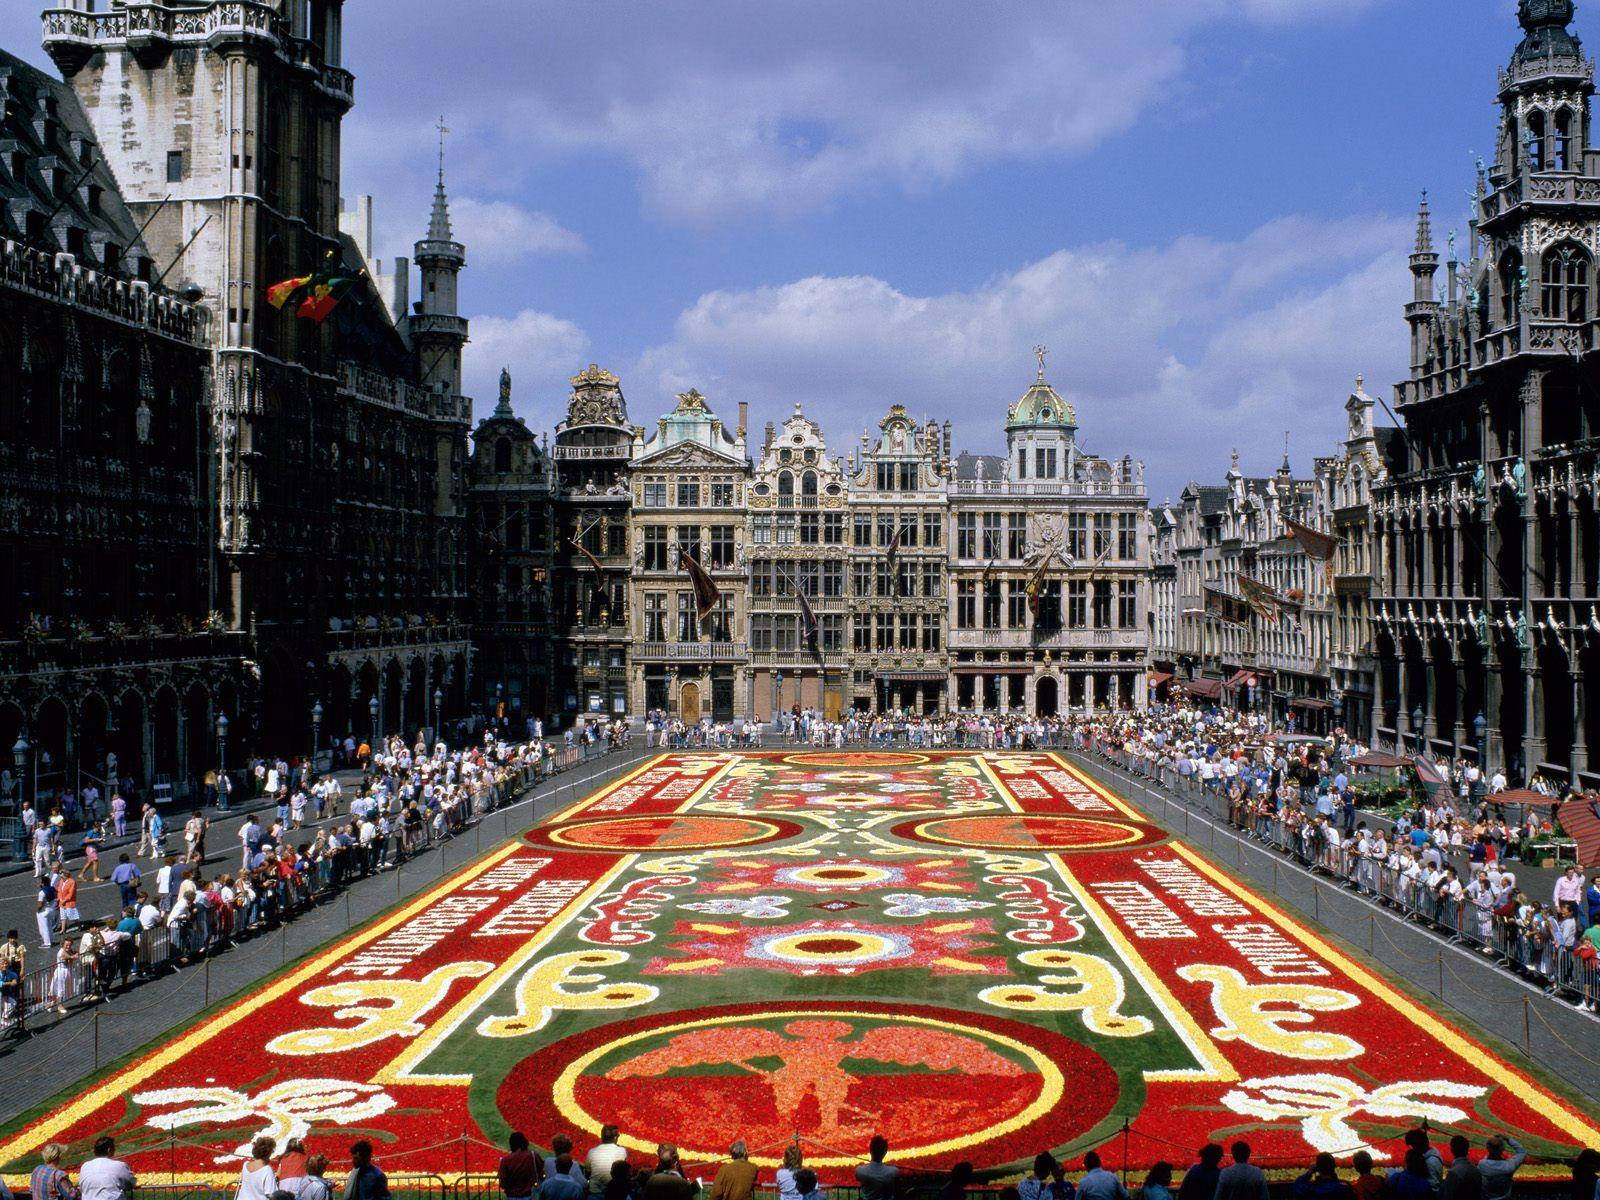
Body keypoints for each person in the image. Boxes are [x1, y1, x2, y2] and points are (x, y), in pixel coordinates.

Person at [586, 1125, 627, 1196]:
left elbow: (588, 1170)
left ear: (601, 1137)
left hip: (595, 1192)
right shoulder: (621, 1151)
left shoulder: (592, 1152)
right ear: (615, 1137)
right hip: (614, 1193)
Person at [500, 1132, 541, 1200]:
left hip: (512, 1196)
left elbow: (503, 1183)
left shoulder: (505, 1160)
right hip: (530, 1195)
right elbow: (541, 1172)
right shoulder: (533, 1155)